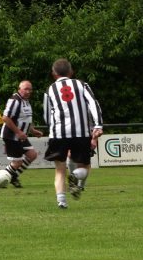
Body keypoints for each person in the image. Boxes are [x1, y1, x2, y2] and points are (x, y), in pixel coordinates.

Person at [43, 58, 103, 209]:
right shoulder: (82, 85)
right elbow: (93, 104)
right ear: (71, 72)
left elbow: (46, 116)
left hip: (58, 134)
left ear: (53, 74)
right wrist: (98, 125)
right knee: (85, 165)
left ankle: (62, 202)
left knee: (59, 169)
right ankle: (75, 176)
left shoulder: (50, 90)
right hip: (81, 132)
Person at [0, 80, 44, 187]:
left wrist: (33, 130)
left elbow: (26, 118)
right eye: (25, 89)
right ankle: (0, 180)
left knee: (32, 155)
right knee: (17, 163)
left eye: (30, 89)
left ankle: (13, 176)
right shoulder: (15, 100)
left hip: (21, 136)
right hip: (12, 136)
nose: (28, 91)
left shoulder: (26, 101)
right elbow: (5, 118)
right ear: (19, 89)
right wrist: (18, 132)